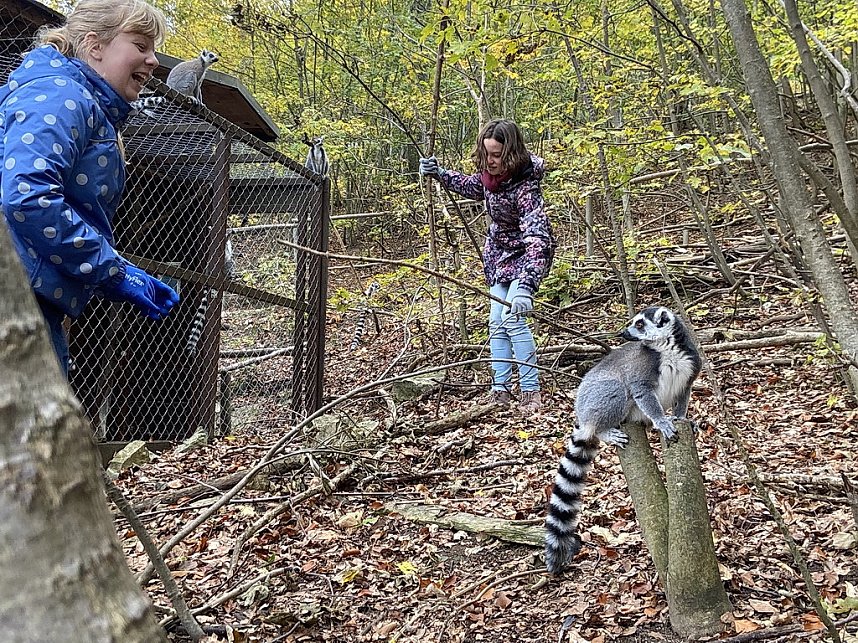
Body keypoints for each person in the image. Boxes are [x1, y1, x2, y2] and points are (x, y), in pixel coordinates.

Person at [0, 0, 179, 376]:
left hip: (26, 297)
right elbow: (27, 196)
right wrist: (109, 270)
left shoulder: (82, 102)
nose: (153, 60)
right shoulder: (61, 95)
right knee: (35, 432)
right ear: (95, 46)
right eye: (140, 45)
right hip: (13, 301)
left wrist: (116, 268)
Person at [420, 119, 555, 413]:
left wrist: (527, 287)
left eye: (497, 155)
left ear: (511, 153)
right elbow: (473, 185)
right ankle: (500, 390)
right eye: (487, 154)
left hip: (526, 256)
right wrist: (439, 174)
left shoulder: (526, 186)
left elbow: (538, 237)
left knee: (513, 319)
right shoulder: (490, 177)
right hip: (498, 254)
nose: (490, 161)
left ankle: (531, 392)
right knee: (496, 321)